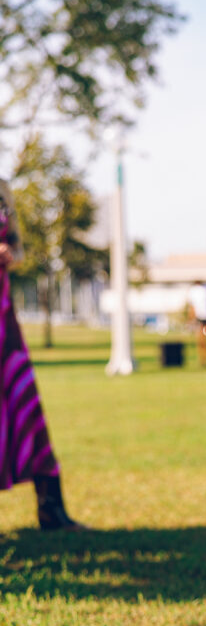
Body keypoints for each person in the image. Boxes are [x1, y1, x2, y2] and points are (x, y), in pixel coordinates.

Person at [0, 178, 83, 529]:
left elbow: (16, 250)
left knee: (23, 402)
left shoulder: (2, 189)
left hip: (3, 317)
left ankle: (51, 508)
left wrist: (9, 253)